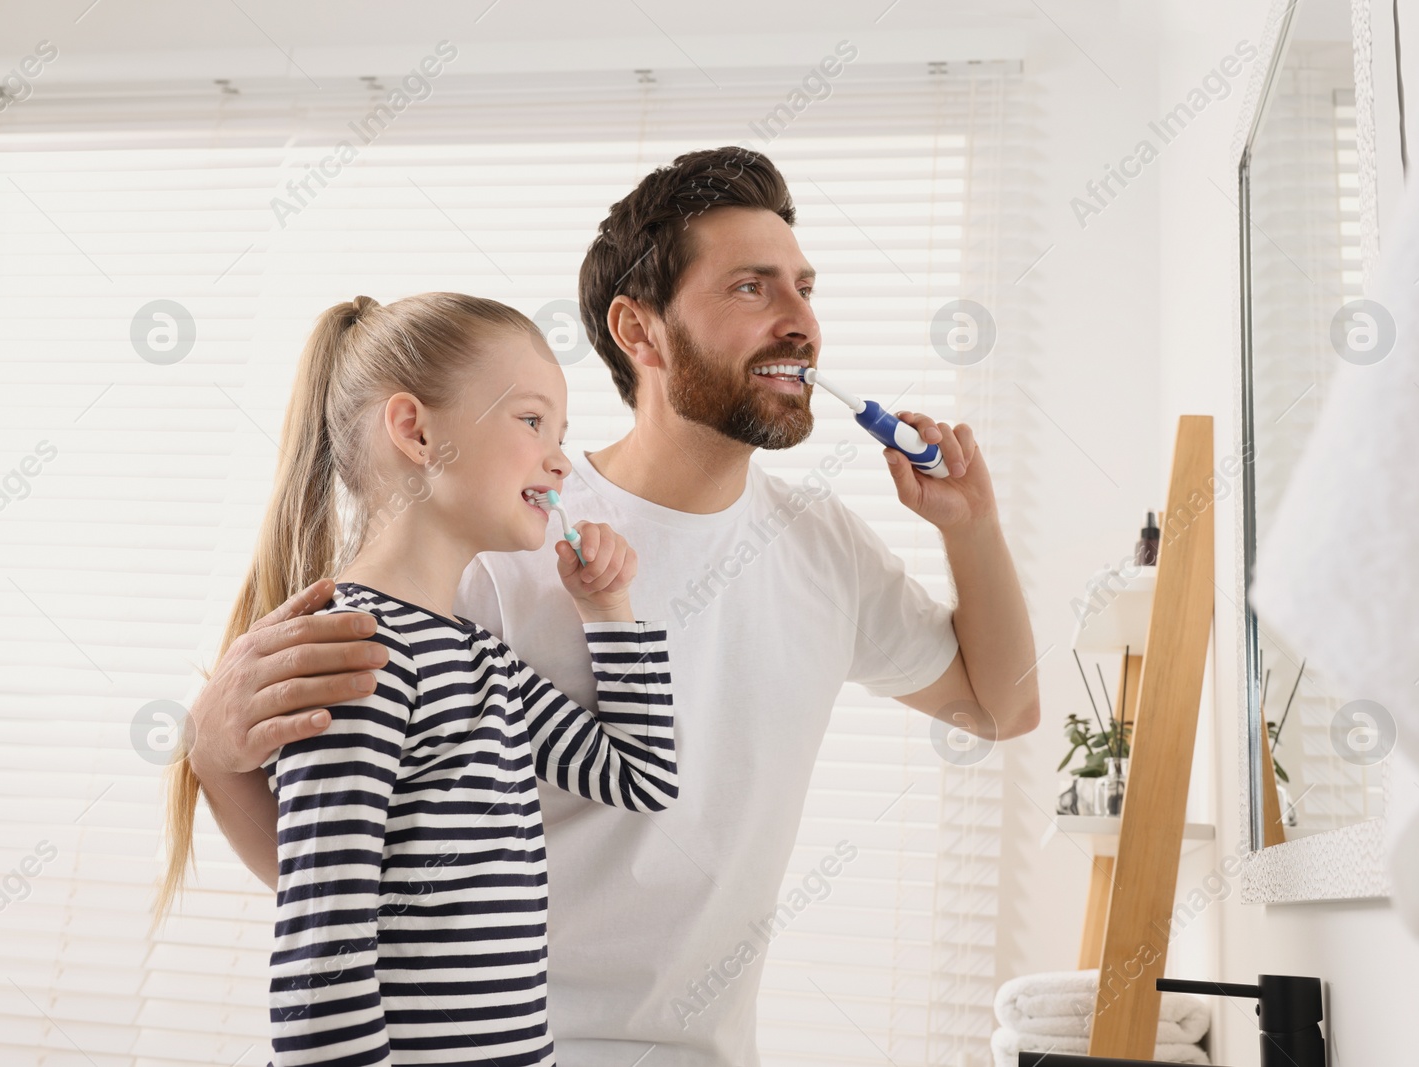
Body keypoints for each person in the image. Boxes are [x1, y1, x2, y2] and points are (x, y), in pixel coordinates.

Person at [185, 148, 1041, 1066]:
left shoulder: (822, 543)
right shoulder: (503, 541)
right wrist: (209, 743)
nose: (801, 323)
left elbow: (999, 706)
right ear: (640, 330)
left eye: (805, 287)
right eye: (752, 288)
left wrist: (972, 526)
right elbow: (340, 882)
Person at [155, 292, 679, 1065]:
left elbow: (641, 775)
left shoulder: (479, 659)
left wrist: (609, 611)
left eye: (561, 433)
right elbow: (323, 954)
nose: (561, 457)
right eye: (533, 421)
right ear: (418, 430)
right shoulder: (354, 655)